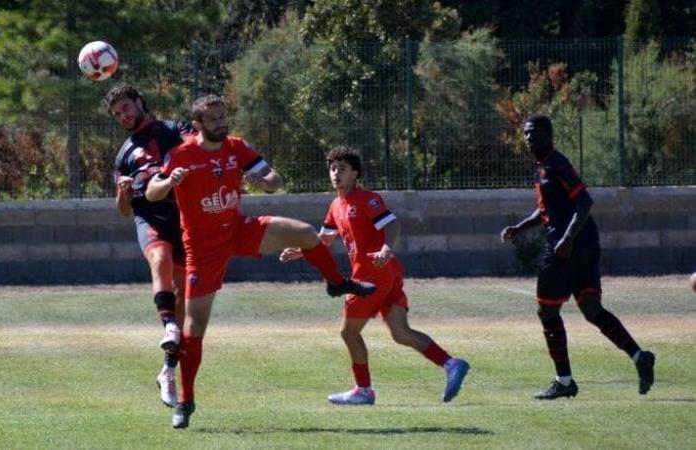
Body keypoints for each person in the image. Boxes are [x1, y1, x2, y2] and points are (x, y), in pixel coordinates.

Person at [145, 95, 376, 429]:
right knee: (193, 330)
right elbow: (152, 192)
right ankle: (186, 402)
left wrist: (266, 181)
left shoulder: (236, 147)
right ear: (197, 125)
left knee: (304, 232)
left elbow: (274, 179)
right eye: (213, 120)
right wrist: (169, 182)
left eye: (223, 117)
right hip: (202, 249)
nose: (221, 124)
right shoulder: (181, 155)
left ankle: (336, 282)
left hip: (238, 229)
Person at [280, 146, 470, 406]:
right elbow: (325, 238)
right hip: (385, 275)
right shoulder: (336, 204)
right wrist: (301, 251)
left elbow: (392, 224)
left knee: (348, 333)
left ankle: (363, 390)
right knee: (401, 333)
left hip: (371, 274)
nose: (336, 173)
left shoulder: (367, 199)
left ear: (355, 174)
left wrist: (386, 247)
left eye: (343, 169)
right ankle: (451, 363)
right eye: (333, 168)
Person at [500, 114, 655, 400]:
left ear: (549, 134)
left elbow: (584, 200)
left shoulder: (557, 164)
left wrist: (567, 240)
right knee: (593, 310)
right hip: (582, 244)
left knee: (547, 311)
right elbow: (549, 209)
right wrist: (520, 227)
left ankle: (564, 380)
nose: (528, 138)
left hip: (567, 246)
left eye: (533, 133)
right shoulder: (543, 168)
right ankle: (639, 357)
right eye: (525, 134)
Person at [105, 83, 193, 408]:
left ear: (140, 101)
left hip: (185, 219)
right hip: (149, 217)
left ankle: (167, 371)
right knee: (159, 259)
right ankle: (167, 324)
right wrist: (123, 193)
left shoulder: (174, 129)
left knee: (184, 296)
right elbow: (124, 210)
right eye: (116, 114)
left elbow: (198, 151)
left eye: (126, 107)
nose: (123, 116)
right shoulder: (124, 155)